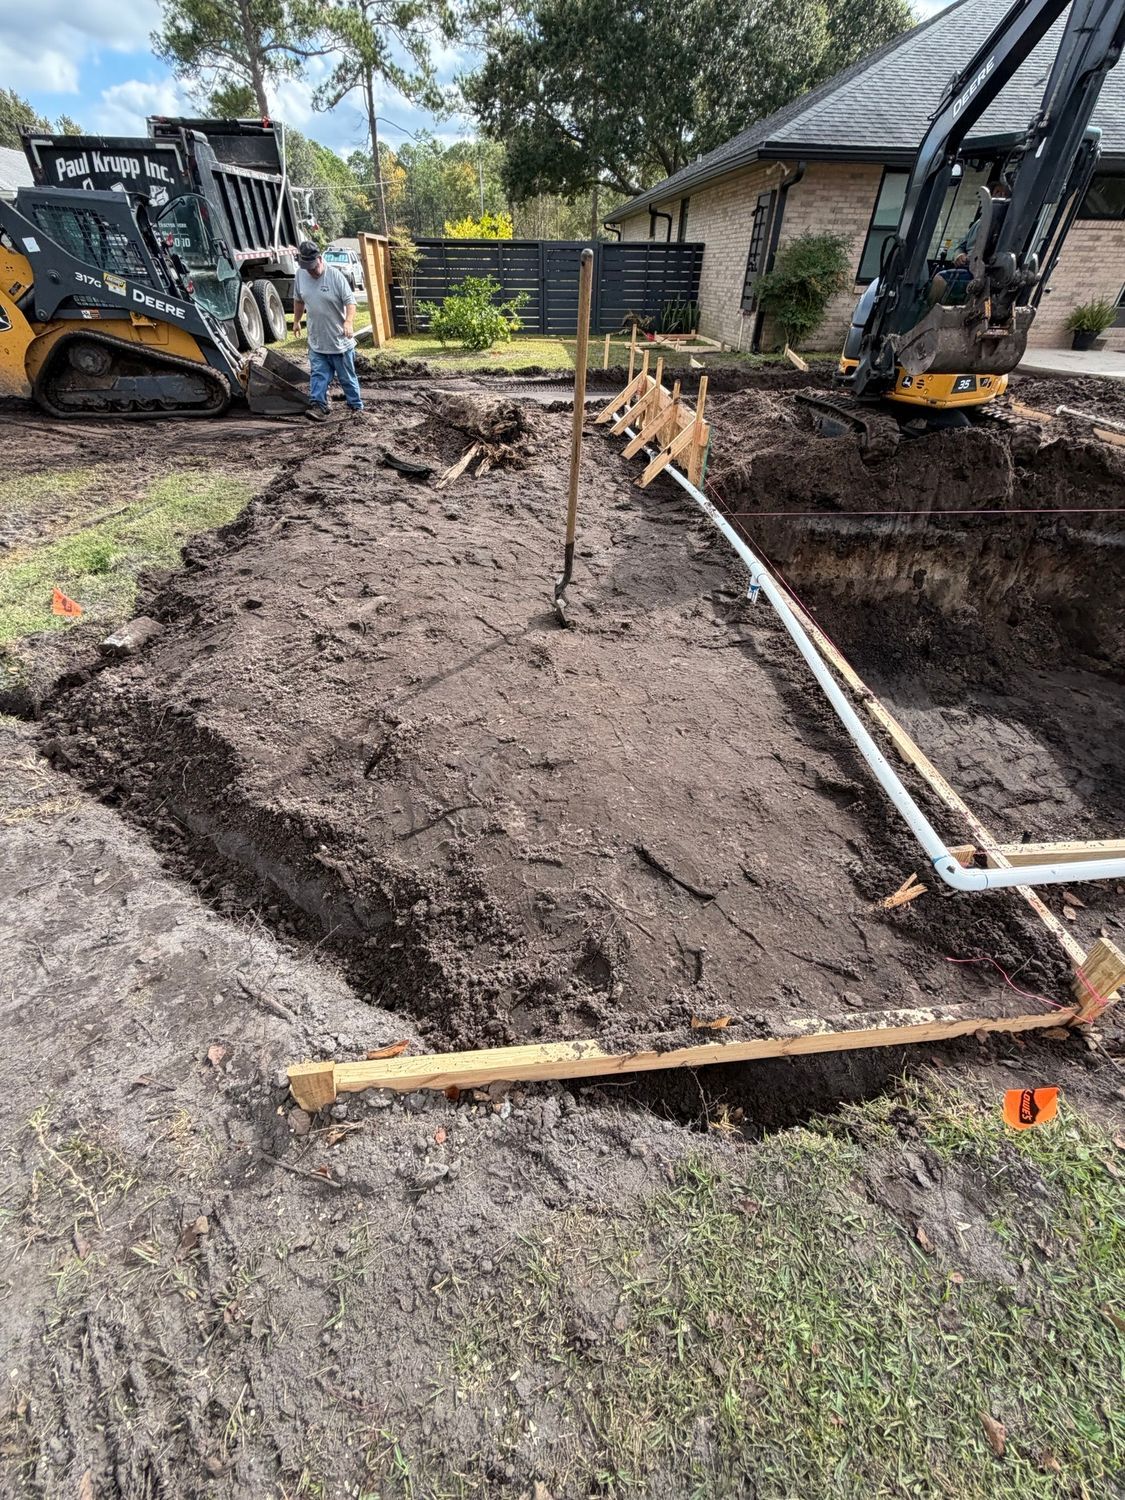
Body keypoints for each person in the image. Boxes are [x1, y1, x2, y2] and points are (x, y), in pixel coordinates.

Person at [292, 240, 364, 421]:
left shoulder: (335, 276)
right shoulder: (300, 275)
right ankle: (318, 406)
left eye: (313, 267)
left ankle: (356, 407)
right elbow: (299, 300)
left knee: (347, 377)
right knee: (318, 374)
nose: (311, 271)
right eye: (307, 267)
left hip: (339, 340)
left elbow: (350, 302)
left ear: (320, 259)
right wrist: (296, 321)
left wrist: (348, 322)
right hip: (317, 339)